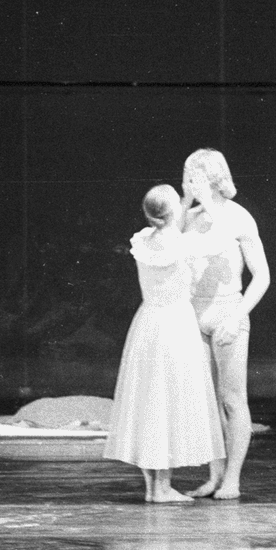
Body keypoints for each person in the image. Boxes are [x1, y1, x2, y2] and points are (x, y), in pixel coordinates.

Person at [104, 184, 227, 502]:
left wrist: (184, 200)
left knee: (149, 401)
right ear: (173, 212)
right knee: (168, 402)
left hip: (148, 324)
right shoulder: (185, 245)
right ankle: (161, 489)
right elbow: (218, 240)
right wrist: (208, 205)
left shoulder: (144, 239)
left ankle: (153, 487)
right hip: (175, 326)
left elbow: (170, 222)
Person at [180, 148, 270, 500]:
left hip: (227, 310)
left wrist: (237, 316)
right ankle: (214, 475)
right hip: (192, 314)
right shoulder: (190, 218)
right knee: (206, 403)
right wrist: (188, 203)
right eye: (187, 176)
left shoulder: (239, 217)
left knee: (232, 399)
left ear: (214, 177)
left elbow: (262, 276)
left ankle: (232, 478)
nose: (189, 181)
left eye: (194, 176)